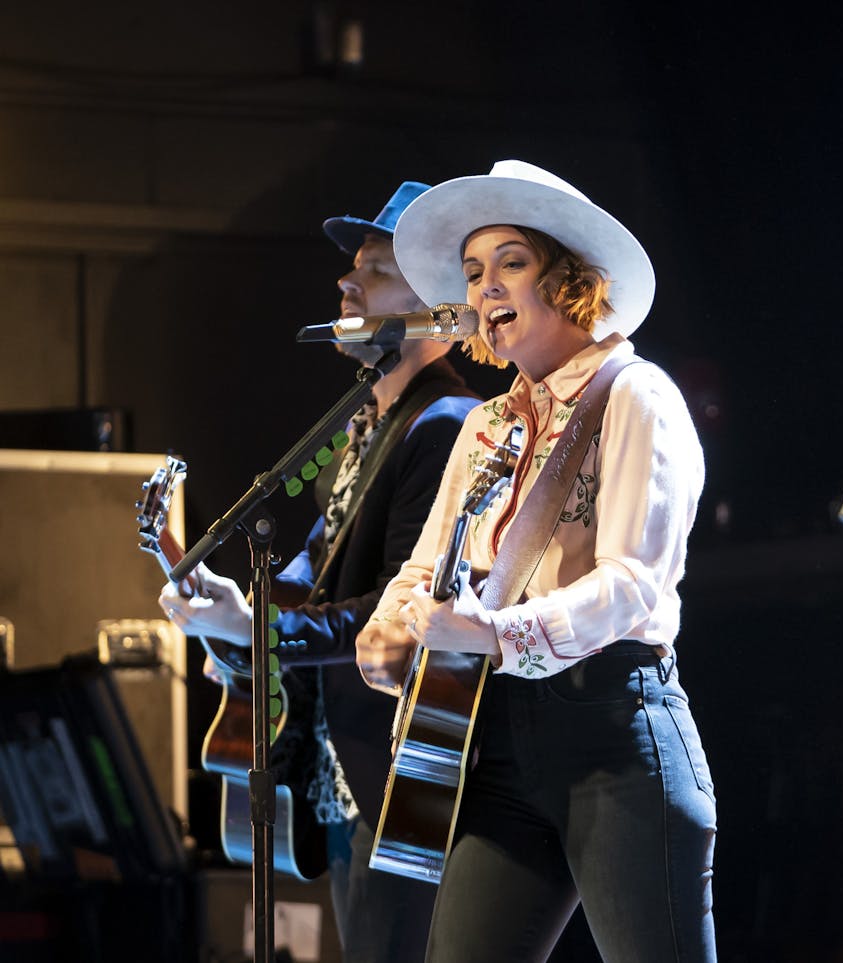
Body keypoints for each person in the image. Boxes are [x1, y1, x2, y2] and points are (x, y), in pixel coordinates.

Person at [354, 160, 717, 962]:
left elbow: (629, 587)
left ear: (569, 279)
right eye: (475, 272)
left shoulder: (637, 395)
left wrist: (494, 633)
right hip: (500, 744)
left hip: (617, 741)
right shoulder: (484, 423)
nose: (486, 289)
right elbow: (419, 571)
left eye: (510, 262)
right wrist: (385, 635)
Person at [159, 182, 480, 962]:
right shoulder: (371, 421)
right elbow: (310, 574)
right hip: (348, 766)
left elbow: (391, 608)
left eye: (375, 270)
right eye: (354, 269)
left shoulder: (443, 424)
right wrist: (236, 614)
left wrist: (257, 627)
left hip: (396, 765)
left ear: (437, 306)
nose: (346, 283)